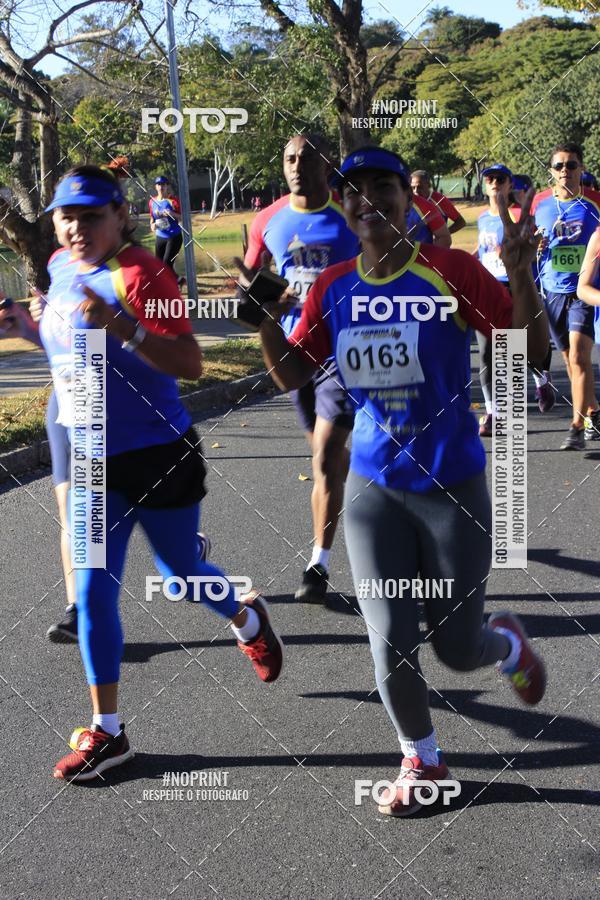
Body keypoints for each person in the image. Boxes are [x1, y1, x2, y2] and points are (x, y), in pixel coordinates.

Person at [253, 146, 549, 817]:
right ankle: (423, 758)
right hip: (373, 491)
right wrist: (262, 319)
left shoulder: (451, 271)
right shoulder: (334, 287)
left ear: (407, 198)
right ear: (343, 205)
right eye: (353, 191)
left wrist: (521, 278)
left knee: (458, 649)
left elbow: (527, 356)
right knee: (389, 639)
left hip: (452, 488)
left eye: (383, 187)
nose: (369, 201)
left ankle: (504, 643)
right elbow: (294, 373)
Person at [0, 165, 283, 781]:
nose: (77, 228)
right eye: (66, 217)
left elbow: (190, 362)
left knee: (181, 574)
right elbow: (73, 351)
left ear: (120, 215)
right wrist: (26, 329)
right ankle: (108, 731)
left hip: (158, 453)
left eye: (91, 216)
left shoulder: (143, 274)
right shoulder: (60, 266)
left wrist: (123, 324)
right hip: (92, 458)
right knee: (92, 592)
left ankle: (247, 618)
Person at [237, 133, 360, 604]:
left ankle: (317, 564)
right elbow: (248, 288)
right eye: (288, 158)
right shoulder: (267, 220)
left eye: (306, 158)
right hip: (292, 352)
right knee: (327, 456)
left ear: (327, 164)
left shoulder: (349, 215)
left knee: (324, 456)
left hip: (342, 351)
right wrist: (263, 297)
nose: (295, 166)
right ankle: (362, 479)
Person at [476, 165, 554, 436]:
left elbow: (534, 240)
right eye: (489, 178)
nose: (494, 182)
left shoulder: (518, 216)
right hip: (489, 289)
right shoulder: (482, 218)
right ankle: (493, 412)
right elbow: (483, 250)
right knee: (487, 353)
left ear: (510, 185)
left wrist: (537, 244)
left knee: (519, 348)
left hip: (515, 286)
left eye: (500, 179)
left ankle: (540, 377)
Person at [532, 142, 600, 449]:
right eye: (559, 166)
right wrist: (535, 244)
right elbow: (532, 240)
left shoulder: (594, 205)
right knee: (570, 362)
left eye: (571, 165)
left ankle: (576, 427)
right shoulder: (541, 205)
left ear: (581, 169)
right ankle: (593, 412)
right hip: (553, 291)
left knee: (579, 357)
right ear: (551, 171)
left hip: (583, 289)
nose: (565, 171)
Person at [411, 169, 466, 235]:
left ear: (428, 185)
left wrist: (442, 235)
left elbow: (461, 222)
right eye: (413, 188)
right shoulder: (409, 201)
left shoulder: (440, 200)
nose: (415, 191)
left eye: (419, 187)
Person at [149, 175, 183, 274]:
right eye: (159, 184)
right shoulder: (152, 201)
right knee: (159, 266)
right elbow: (152, 218)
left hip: (174, 237)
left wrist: (171, 213)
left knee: (167, 264)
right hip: (160, 237)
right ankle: (177, 280)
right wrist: (152, 225)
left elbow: (183, 218)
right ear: (156, 187)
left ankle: (177, 280)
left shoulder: (173, 201)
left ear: (167, 186)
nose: (161, 187)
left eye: (163, 184)